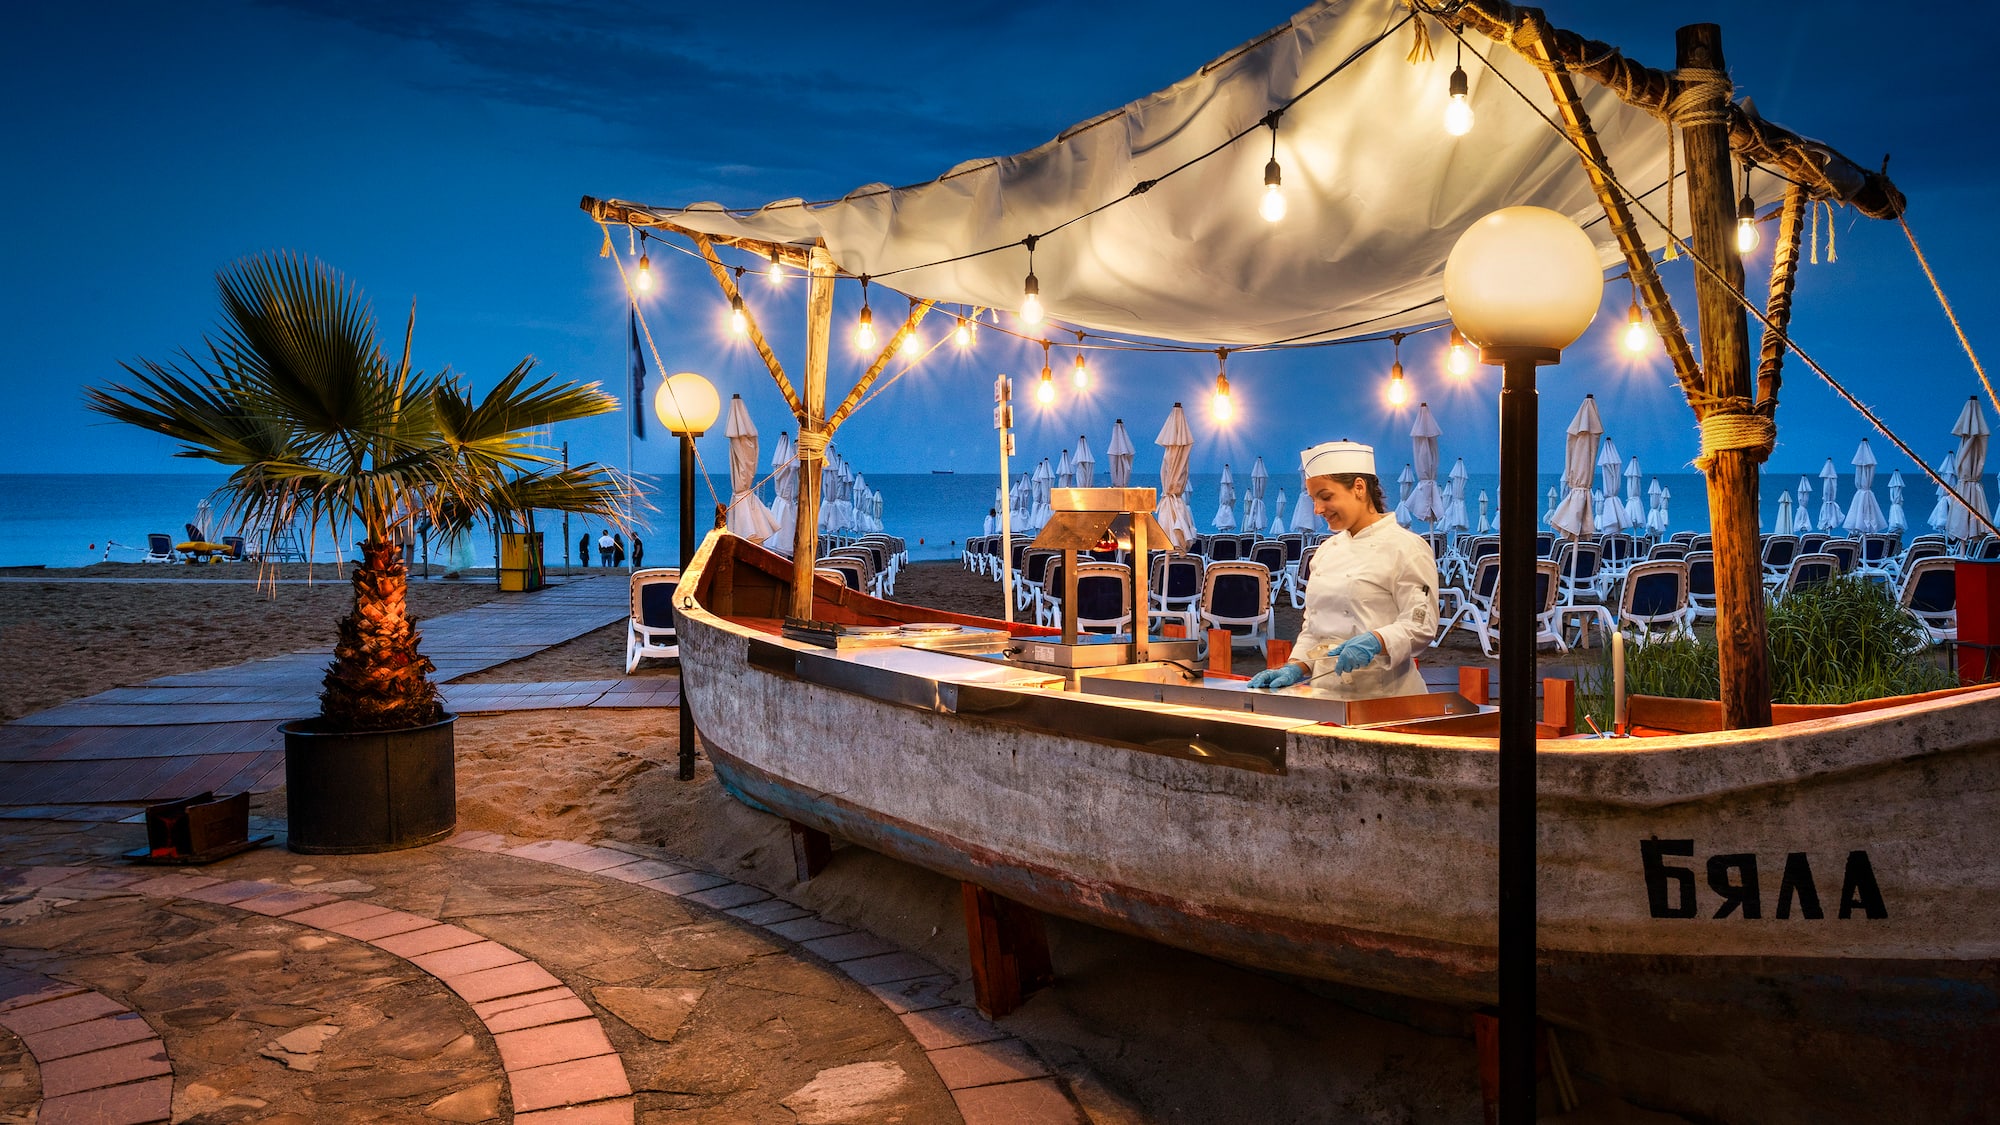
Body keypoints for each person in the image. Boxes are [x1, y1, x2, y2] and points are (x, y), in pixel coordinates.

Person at [1247, 440, 1438, 700]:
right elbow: (1314, 629)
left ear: (1359, 487)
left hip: (1387, 697)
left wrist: (1377, 640)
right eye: (1313, 499)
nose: (1317, 509)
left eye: (1326, 497)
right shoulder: (1326, 551)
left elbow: (1421, 624)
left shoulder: (1407, 547)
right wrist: (1296, 665)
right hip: (1326, 696)